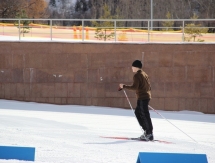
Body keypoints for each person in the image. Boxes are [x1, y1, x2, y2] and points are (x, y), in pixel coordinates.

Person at [119, 60, 154, 141]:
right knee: (138, 113)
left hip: (142, 98)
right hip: (145, 97)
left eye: (132, 66)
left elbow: (134, 87)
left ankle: (149, 134)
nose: (132, 68)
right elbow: (149, 86)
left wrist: (123, 86)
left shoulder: (137, 75)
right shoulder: (144, 74)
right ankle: (147, 132)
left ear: (135, 67)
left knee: (144, 115)